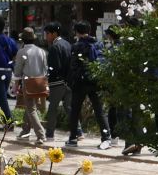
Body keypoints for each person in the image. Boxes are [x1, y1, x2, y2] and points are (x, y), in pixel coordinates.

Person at [67, 20, 114, 150]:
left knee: (75, 110)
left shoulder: (77, 46)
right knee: (99, 110)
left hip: (80, 83)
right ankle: (106, 137)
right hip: (95, 81)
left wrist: (72, 80)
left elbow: (74, 66)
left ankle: (73, 138)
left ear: (77, 32)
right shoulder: (98, 44)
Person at [12, 27, 49, 145]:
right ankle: (25, 130)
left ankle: (41, 135)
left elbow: (17, 72)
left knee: (31, 109)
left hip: (28, 83)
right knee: (31, 107)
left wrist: (15, 86)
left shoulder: (22, 52)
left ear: (23, 40)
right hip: (40, 82)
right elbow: (46, 69)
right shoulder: (41, 51)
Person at [42, 22, 74, 141]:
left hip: (57, 82)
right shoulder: (67, 44)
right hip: (68, 81)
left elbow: (54, 67)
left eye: (47, 33)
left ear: (54, 33)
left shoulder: (55, 47)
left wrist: (49, 78)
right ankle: (78, 131)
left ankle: (50, 134)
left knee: (52, 109)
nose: (46, 36)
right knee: (69, 107)